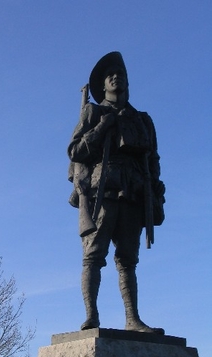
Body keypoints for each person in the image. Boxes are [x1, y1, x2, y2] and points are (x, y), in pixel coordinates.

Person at [67, 51, 165, 333]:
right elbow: (75, 152)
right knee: (93, 257)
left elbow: (153, 159)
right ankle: (92, 316)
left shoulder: (143, 120)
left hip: (134, 193)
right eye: (110, 75)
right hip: (102, 193)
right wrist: (101, 128)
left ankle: (132, 319)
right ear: (103, 86)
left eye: (120, 73)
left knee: (128, 260)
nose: (115, 77)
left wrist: (155, 190)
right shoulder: (93, 112)